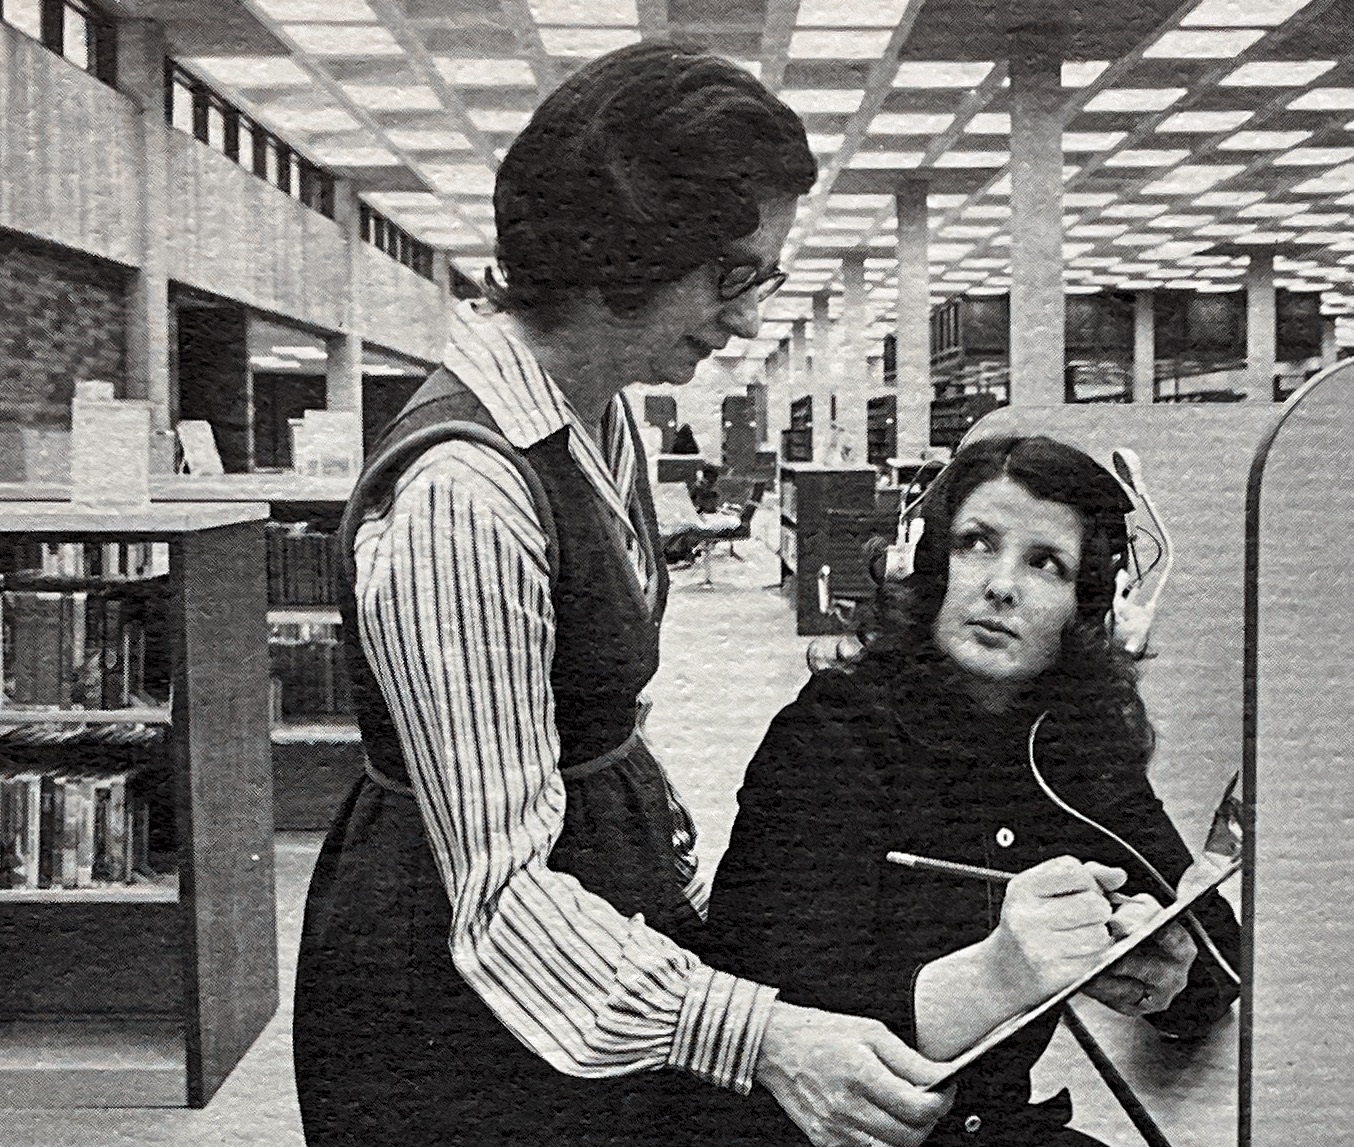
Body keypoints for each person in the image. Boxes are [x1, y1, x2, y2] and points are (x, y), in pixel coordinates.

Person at [295, 43, 981, 1147]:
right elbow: (504, 898)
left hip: (584, 930)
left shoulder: (596, 412)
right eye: (734, 274)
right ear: (628, 245)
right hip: (460, 998)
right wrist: (760, 1036)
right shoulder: (464, 494)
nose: (749, 317)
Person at [699, 435, 1242, 1146]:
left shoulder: (1073, 750)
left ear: (1085, 608)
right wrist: (996, 975)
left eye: (1044, 563)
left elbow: (1212, 953)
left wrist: (1161, 972)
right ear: (928, 564)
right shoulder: (832, 734)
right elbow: (776, 1027)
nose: (1001, 584)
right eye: (976, 543)